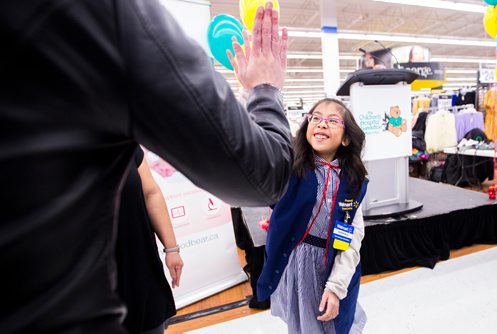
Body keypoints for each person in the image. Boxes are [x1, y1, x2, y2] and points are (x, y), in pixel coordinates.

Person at [0, 1, 292, 332]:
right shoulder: (104, 17)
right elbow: (262, 174)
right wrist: (264, 91)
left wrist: (171, 249)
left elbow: (150, 190)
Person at [257, 98, 369, 334]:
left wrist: (337, 285)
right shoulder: (293, 169)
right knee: (305, 324)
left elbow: (351, 236)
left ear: (347, 138)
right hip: (299, 263)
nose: (321, 124)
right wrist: (281, 221)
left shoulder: (353, 182)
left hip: (332, 260)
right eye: (315, 117)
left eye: (332, 120)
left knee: (337, 322)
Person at [115, 145, 183, 334]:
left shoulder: (124, 144)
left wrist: (172, 249)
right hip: (95, 282)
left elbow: (151, 192)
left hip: (142, 268)